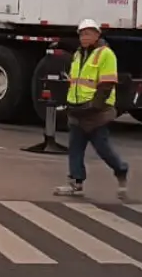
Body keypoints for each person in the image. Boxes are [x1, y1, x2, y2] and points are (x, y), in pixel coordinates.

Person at [54, 19, 130, 199]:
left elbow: (107, 84)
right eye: (81, 34)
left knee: (103, 148)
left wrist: (94, 106)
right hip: (77, 109)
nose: (84, 37)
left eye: (88, 33)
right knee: (75, 148)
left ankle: (121, 169)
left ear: (97, 35)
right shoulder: (78, 54)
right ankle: (76, 182)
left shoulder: (106, 54)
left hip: (96, 112)